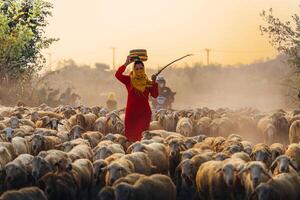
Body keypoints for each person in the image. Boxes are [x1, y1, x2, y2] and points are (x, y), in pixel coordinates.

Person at [115, 56, 159, 141]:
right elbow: (117, 75)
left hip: (144, 114)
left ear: (144, 69)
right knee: (130, 137)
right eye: (137, 68)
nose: (139, 70)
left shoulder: (148, 82)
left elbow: (155, 95)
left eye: (141, 68)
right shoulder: (129, 80)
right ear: (134, 69)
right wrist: (126, 63)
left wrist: (154, 82)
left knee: (141, 137)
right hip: (131, 113)